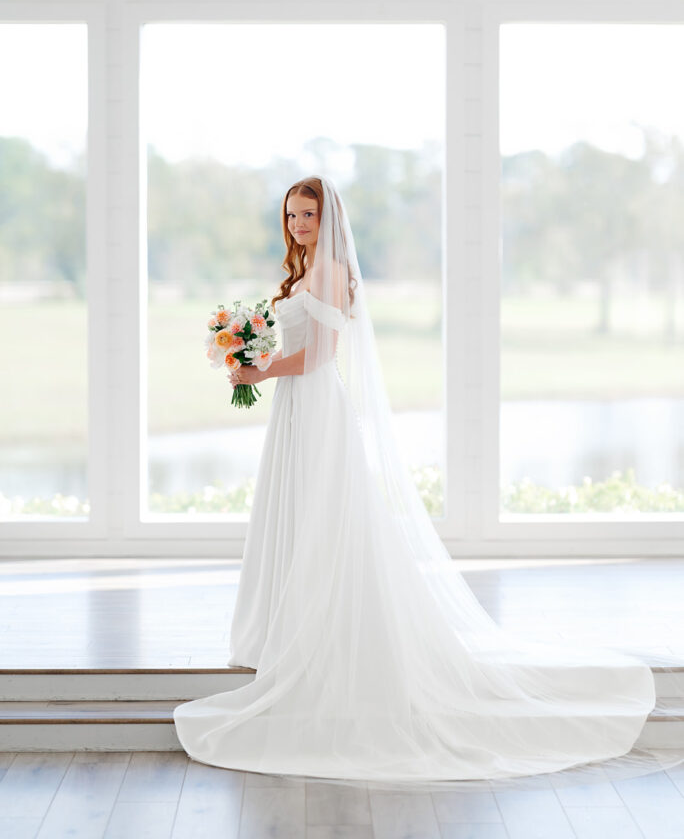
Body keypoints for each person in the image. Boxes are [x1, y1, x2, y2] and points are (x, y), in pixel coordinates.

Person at [173, 174, 684, 792]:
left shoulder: (330, 271)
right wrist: (248, 354)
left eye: (307, 215)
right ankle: (283, 629)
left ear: (327, 218)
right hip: (293, 410)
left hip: (316, 405)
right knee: (297, 513)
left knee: (328, 517)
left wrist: (258, 366)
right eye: (291, 215)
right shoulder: (302, 273)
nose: (298, 225)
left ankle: (327, 634)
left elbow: (321, 354)